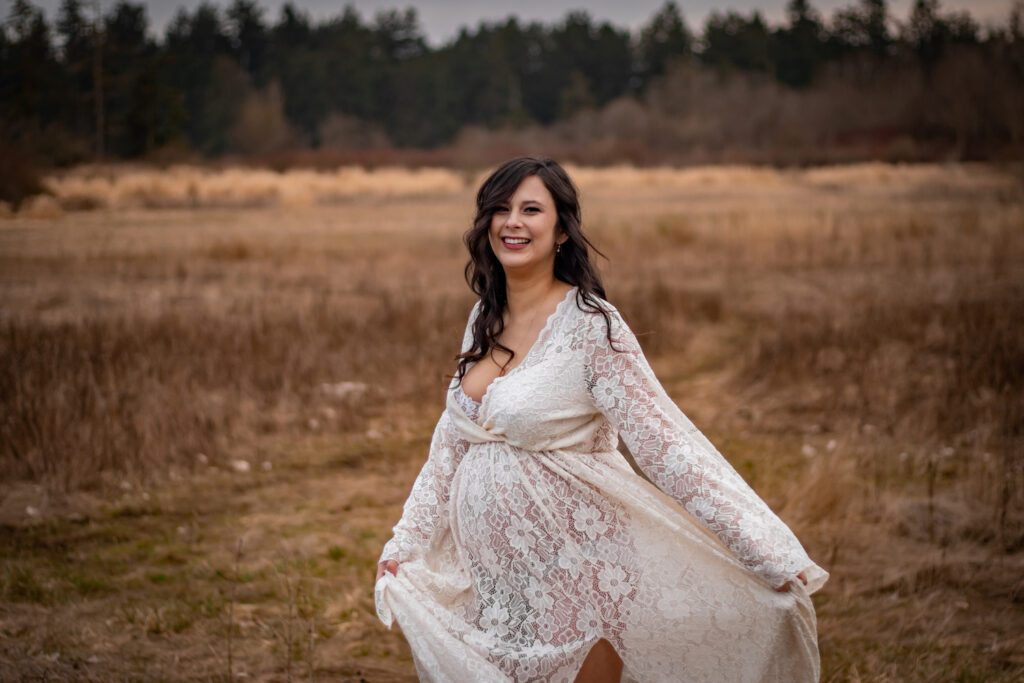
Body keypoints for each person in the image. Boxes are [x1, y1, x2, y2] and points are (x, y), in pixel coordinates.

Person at [374, 156, 829, 682]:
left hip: (583, 565)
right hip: (498, 577)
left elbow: (663, 445)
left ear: (562, 229)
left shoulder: (593, 327)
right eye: (500, 209)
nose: (512, 222)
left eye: (531, 210)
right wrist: (404, 543)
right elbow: (452, 441)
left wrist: (765, 551)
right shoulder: (485, 316)